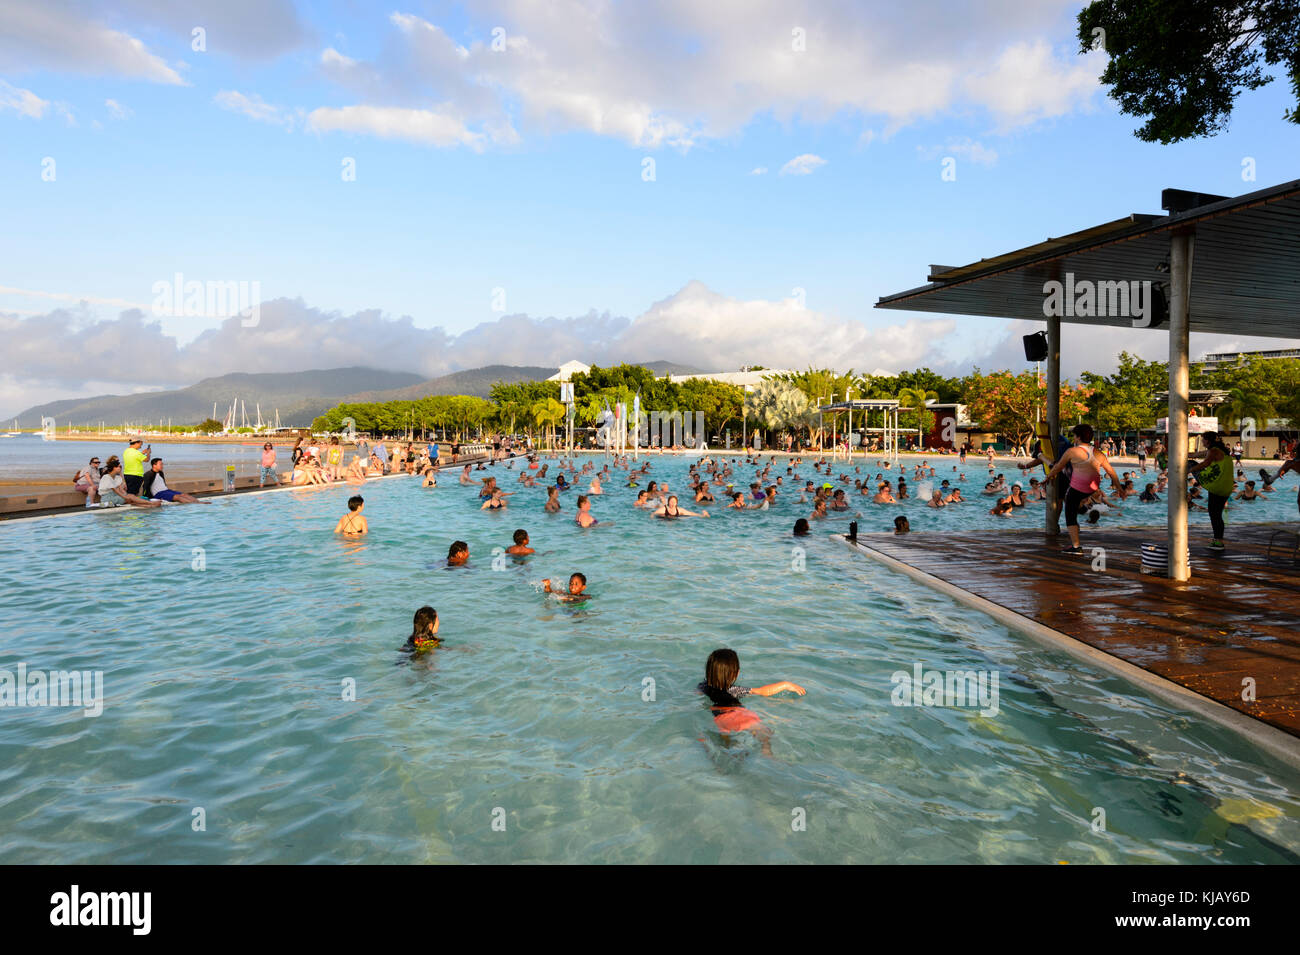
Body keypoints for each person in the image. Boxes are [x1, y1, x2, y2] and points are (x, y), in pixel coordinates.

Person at [697, 648, 805, 756]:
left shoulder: (702, 687)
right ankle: (766, 751)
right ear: (735, 674)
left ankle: (728, 757)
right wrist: (786, 684)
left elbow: (699, 698)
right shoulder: (734, 690)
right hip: (738, 715)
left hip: (720, 719)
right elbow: (763, 691)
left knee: (727, 744)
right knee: (764, 732)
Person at [1046, 423, 1120, 555]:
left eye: (1074, 436)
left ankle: (1076, 546)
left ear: (1078, 437)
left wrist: (1047, 478)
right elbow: (1112, 472)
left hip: (1078, 488)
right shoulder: (1098, 453)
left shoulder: (1072, 451)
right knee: (1078, 506)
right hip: (1092, 488)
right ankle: (1081, 511)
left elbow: (1057, 467)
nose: (1074, 438)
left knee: (1070, 514)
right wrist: (1120, 489)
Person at [1188, 432, 1234, 550]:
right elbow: (1197, 454)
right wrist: (1185, 453)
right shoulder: (1221, 450)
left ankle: (1218, 542)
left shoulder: (1213, 451)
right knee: (1217, 514)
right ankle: (1218, 540)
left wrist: (1189, 470)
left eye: (1203, 439)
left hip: (1215, 484)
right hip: (1226, 486)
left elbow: (1205, 463)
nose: (1202, 441)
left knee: (1214, 515)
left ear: (1208, 441)